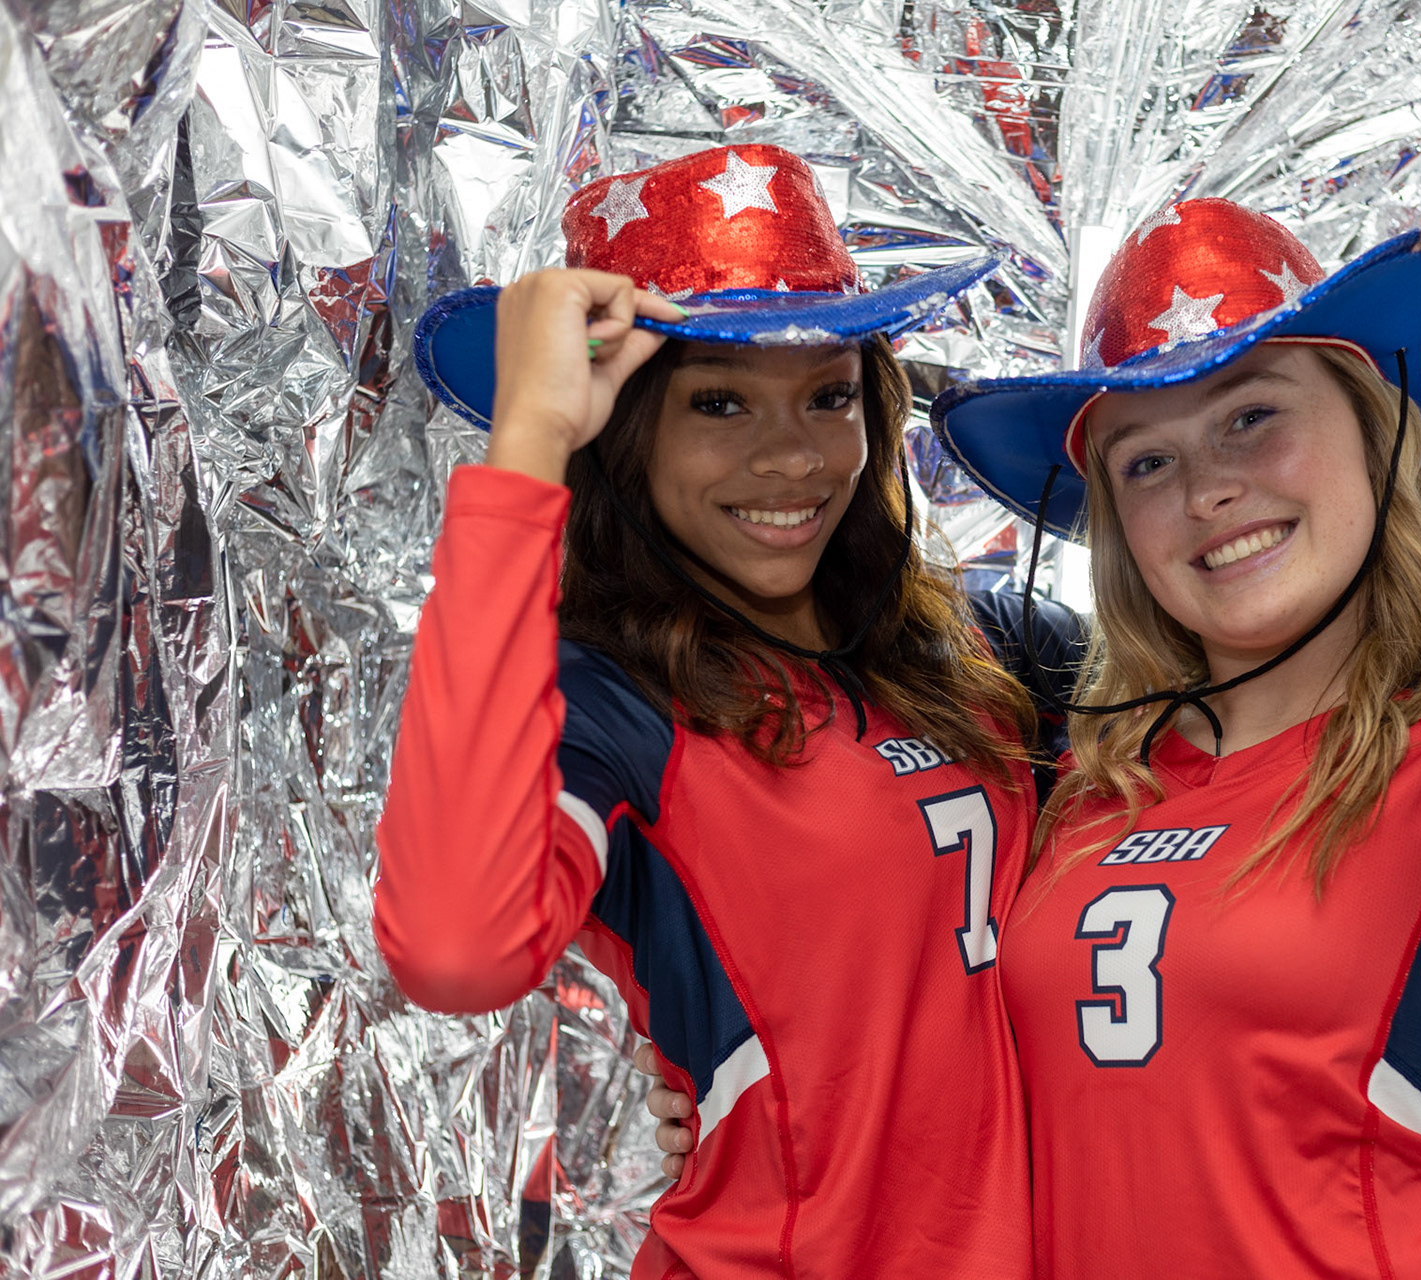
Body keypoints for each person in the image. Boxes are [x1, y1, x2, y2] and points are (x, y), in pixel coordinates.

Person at [937, 186, 1421, 1275]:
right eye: (1147, 462)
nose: (1211, 487)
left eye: (1252, 414)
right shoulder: (1084, 775)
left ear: (1370, 428)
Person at [375, 143, 1078, 1278]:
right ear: (622, 426)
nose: (792, 456)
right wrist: (530, 443)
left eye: (829, 394)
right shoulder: (614, 707)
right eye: (717, 401)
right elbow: (455, 951)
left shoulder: (996, 652)